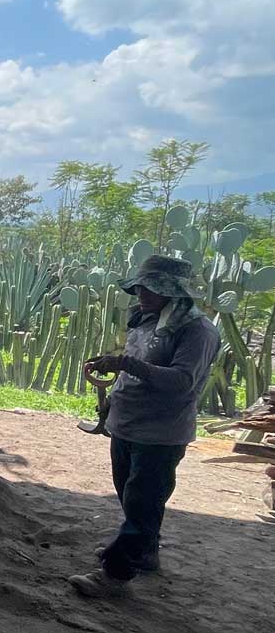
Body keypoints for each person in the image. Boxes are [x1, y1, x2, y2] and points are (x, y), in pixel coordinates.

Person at [68, 255, 219, 598]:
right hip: (128, 424)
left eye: (151, 287)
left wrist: (126, 363)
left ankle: (116, 574)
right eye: (140, 285)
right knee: (128, 494)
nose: (140, 291)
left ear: (175, 293)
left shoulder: (196, 331)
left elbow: (182, 381)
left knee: (143, 503)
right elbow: (140, 366)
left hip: (160, 433)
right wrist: (117, 377)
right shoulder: (147, 319)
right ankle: (146, 553)